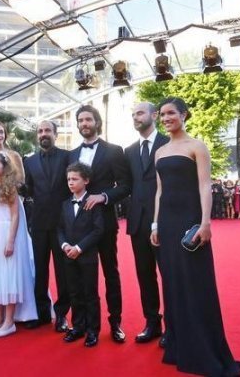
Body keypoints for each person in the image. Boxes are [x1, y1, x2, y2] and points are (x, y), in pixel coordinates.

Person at [150, 97, 240, 377]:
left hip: (189, 221)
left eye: (171, 113)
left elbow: (205, 186)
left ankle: (204, 350)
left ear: (184, 115)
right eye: (162, 114)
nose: (166, 118)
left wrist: (205, 223)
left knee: (195, 284)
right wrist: (155, 225)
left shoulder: (197, 146)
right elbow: (159, 191)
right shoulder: (160, 152)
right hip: (166, 224)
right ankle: (180, 346)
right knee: (173, 285)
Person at [69, 105, 131, 343]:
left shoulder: (114, 151)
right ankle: (82, 324)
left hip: (104, 222)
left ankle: (115, 323)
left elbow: (125, 186)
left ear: (97, 122)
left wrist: (103, 196)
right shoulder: (71, 154)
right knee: (81, 276)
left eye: (88, 119)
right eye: (80, 120)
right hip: (78, 226)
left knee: (110, 273)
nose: (84, 123)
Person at [0, 152, 37, 338]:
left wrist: (10, 240)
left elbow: (14, 215)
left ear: (4, 167)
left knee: (7, 275)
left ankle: (9, 321)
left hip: (5, 234)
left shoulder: (9, 188)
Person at [124, 102, 168, 344]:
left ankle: (173, 327)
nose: (135, 117)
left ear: (154, 115)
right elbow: (125, 186)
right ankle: (153, 323)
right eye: (133, 115)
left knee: (169, 275)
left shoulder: (168, 143)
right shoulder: (129, 151)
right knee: (145, 276)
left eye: (139, 113)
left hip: (166, 222)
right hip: (138, 224)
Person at [22, 120, 71, 331]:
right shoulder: (29, 161)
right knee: (40, 271)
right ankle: (42, 313)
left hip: (63, 224)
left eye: (47, 130)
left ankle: (62, 315)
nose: (44, 134)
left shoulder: (68, 157)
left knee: (63, 272)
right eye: (40, 131)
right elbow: (29, 190)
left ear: (55, 134)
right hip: (39, 223)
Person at [59, 162, 104, 348]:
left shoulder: (93, 203)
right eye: (68, 179)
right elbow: (59, 228)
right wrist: (65, 245)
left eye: (75, 179)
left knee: (90, 293)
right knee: (74, 292)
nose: (71, 182)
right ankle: (78, 326)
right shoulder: (64, 204)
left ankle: (93, 330)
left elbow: (98, 230)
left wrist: (79, 247)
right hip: (68, 256)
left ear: (86, 180)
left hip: (87, 257)